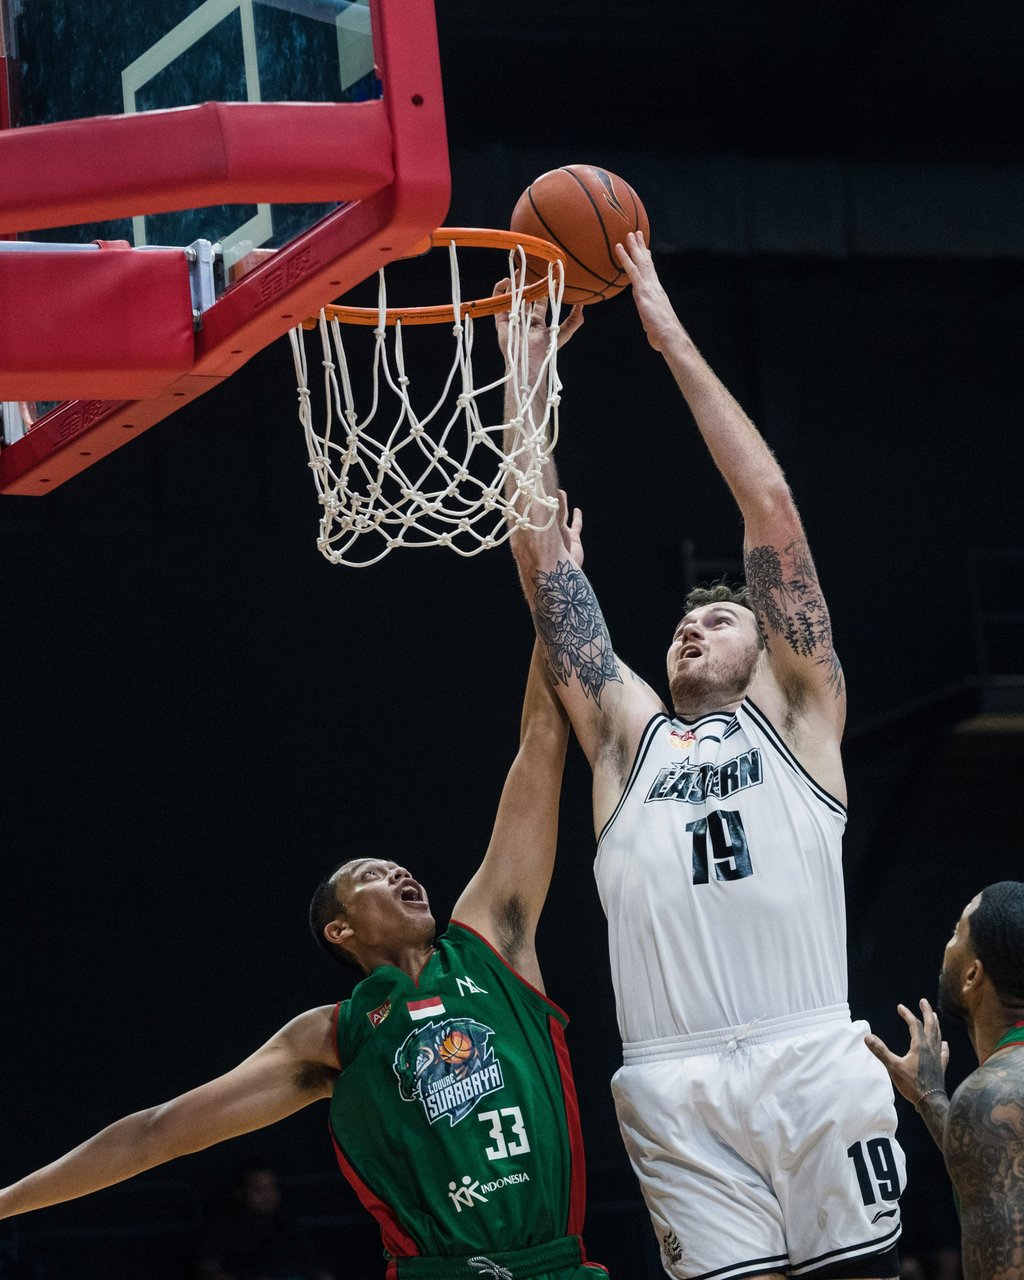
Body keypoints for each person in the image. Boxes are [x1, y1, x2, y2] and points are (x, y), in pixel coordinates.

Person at [500, 231, 904, 1280]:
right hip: (672, 1082)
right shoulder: (625, 736)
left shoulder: (801, 714)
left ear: (769, 646)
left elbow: (769, 509)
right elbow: (544, 562)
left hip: (811, 1052)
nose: (693, 627)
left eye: (723, 616)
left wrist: (668, 335)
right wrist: (527, 375)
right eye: (685, 621)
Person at [0, 625, 608, 1280]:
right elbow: (156, 1132)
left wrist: (549, 572)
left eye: (402, 867)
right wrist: (6, 1203)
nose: (402, 873)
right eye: (374, 874)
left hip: (561, 1266)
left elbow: (542, 747)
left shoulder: (492, 948)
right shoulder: (330, 1038)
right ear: (339, 932)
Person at [865, 881, 1024, 1280]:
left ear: (972, 975)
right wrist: (930, 1098)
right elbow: (998, 1156)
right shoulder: (1001, 1097)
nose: (947, 943)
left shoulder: (992, 1092)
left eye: (957, 932)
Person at [197, 1158, 336, 1280]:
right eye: (258, 1189)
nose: (267, 1196)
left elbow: (316, 1266)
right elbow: (211, 1270)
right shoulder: (223, 1226)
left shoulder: (286, 1224)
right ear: (240, 1192)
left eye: (270, 1188)